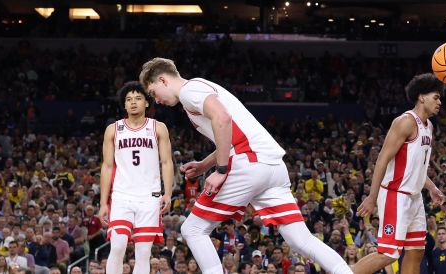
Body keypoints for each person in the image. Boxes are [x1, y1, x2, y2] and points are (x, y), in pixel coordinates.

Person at [138, 58, 353, 274]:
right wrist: (204, 165)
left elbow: (223, 118)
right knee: (300, 239)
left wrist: (221, 170)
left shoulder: (188, 90)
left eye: (153, 93)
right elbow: (229, 133)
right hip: (272, 167)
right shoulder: (201, 87)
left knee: (193, 229)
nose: (156, 100)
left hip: (248, 164)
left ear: (163, 80)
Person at [354, 74, 446, 274]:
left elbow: (417, 168)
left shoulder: (429, 126)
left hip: (415, 198)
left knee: (416, 252)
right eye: (436, 97)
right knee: (388, 254)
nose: (440, 102)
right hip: (395, 195)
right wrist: (372, 197)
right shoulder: (405, 121)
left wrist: (432, 187)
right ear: (421, 97)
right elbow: (382, 159)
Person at [99, 82, 175, 274]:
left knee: (143, 252)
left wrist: (167, 193)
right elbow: (107, 167)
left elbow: (167, 162)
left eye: (138, 98)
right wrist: (103, 203)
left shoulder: (158, 128)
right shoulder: (113, 129)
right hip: (122, 195)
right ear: (124, 105)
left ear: (147, 103)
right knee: (117, 246)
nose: (133, 102)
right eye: (129, 99)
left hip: (149, 196)